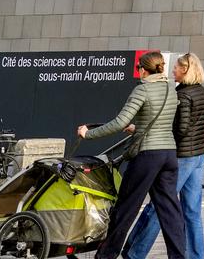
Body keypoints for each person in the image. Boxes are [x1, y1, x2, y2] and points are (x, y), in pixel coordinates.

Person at [77, 51, 186, 259]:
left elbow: (118, 123)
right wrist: (138, 127)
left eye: (138, 69)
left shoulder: (142, 90)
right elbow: (160, 123)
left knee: (126, 207)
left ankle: (106, 256)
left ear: (143, 70)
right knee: (170, 211)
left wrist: (88, 134)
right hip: (168, 154)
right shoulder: (170, 90)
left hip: (147, 156)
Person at [121, 54, 204, 259]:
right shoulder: (201, 91)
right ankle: (195, 256)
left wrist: (154, 135)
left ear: (186, 70)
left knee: (159, 207)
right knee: (192, 211)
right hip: (198, 156)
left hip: (182, 157)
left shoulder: (183, 95)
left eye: (177, 68)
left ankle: (135, 252)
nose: (173, 71)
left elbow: (181, 129)